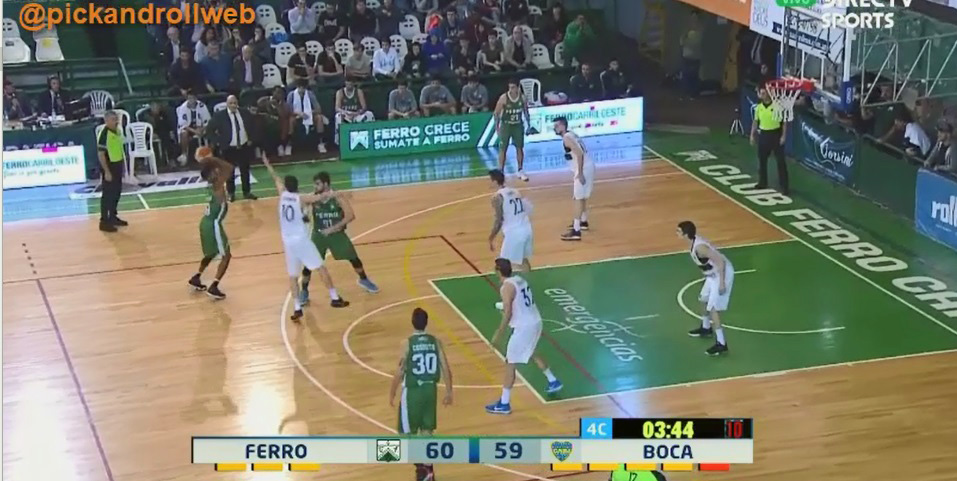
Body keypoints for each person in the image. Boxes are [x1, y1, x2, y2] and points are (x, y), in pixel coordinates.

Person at [259, 154, 349, 321]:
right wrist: (337, 194)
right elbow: (321, 197)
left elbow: (275, 178)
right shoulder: (301, 198)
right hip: (301, 240)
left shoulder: (282, 194)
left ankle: (297, 308)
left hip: (288, 242)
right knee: (321, 267)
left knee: (293, 276)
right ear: (297, 186)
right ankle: (334, 298)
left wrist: (267, 163)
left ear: (286, 186)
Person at [485, 258, 563, 415]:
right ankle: (553, 380)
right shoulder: (519, 280)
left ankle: (504, 403)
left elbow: (508, 312)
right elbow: (518, 302)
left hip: (524, 327)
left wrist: (498, 333)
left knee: (510, 363)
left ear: (498, 271)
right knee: (531, 351)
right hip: (536, 321)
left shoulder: (506, 287)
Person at [389, 308, 453, 481]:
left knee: (405, 434)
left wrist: (392, 392)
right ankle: (429, 469)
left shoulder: (407, 343)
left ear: (412, 322)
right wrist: (449, 391)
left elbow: (400, 371)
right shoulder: (436, 342)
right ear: (427, 322)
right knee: (427, 431)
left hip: (413, 392)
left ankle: (421, 468)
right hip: (431, 390)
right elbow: (446, 368)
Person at [300, 171, 380, 306]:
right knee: (309, 264)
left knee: (353, 258)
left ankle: (364, 279)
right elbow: (302, 200)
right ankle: (304, 290)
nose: (315, 186)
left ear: (326, 184)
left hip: (336, 234)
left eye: (318, 184)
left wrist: (333, 228)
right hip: (319, 234)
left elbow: (350, 215)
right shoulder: (314, 197)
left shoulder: (338, 197)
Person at [679, 221, 734, 356]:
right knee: (703, 299)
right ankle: (706, 328)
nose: (677, 233)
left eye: (679, 231)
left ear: (686, 234)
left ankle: (722, 344)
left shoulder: (700, 248)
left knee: (713, 309)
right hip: (712, 275)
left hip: (721, 274)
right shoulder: (694, 243)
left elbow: (720, 261)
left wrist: (722, 283)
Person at [189, 147, 234, 299]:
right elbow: (229, 168)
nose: (217, 171)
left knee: (211, 253)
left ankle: (196, 277)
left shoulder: (210, 183)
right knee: (226, 255)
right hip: (214, 225)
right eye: (214, 171)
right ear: (212, 175)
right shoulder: (217, 184)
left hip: (205, 223)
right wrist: (212, 159)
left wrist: (207, 162)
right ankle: (214, 286)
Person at [487, 169, 532, 311]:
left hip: (515, 233)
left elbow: (498, 220)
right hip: (526, 228)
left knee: (503, 266)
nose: (489, 183)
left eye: (490, 180)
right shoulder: (515, 191)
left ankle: (508, 301)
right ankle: (527, 292)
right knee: (523, 261)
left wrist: (491, 237)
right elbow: (527, 208)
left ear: (495, 181)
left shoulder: (496, 197)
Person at [207, 95, 258, 201]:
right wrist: (218, 142)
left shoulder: (245, 113)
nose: (233, 105)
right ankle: (231, 193)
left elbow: (253, 126)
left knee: (245, 170)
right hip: (228, 147)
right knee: (229, 172)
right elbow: (209, 129)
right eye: (231, 103)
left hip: (243, 146)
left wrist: (251, 138)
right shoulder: (220, 116)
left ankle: (247, 192)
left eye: (235, 103)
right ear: (227, 104)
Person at [554, 116, 594, 241]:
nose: (554, 128)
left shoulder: (567, 138)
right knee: (582, 197)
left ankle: (576, 231)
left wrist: (580, 173)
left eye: (556, 126)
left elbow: (580, 154)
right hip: (588, 166)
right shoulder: (571, 134)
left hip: (583, 168)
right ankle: (583, 221)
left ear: (563, 126)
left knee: (577, 198)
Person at [749, 86, 789, 195]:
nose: (762, 95)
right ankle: (762, 182)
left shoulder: (777, 106)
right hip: (764, 134)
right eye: (761, 93)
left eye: (764, 93)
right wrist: (752, 135)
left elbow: (784, 122)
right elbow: (755, 122)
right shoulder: (759, 107)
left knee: (780, 161)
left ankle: (784, 186)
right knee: (762, 160)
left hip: (776, 134)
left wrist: (783, 136)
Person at [96, 110, 127, 232]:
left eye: (116, 119)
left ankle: (113, 216)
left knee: (116, 192)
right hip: (109, 166)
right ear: (107, 121)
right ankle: (104, 221)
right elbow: (101, 154)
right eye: (113, 119)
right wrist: (106, 171)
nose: (116, 121)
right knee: (108, 195)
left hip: (117, 164)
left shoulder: (118, 131)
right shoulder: (104, 134)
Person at [494, 78, 531, 182]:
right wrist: (496, 127)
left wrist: (529, 125)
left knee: (519, 148)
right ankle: (501, 171)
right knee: (503, 149)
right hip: (506, 125)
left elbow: (526, 112)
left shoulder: (522, 98)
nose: (511, 90)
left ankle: (520, 170)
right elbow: (496, 113)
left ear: (518, 88)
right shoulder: (504, 98)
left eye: (513, 87)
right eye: (509, 87)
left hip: (518, 125)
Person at [334, 77, 374, 144]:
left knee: (369, 114)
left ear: (354, 83)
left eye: (351, 82)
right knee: (338, 116)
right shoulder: (340, 92)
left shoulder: (358, 91)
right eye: (348, 82)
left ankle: (371, 138)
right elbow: (337, 108)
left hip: (357, 114)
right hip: (346, 115)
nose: (349, 83)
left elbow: (364, 107)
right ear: (345, 83)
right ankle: (339, 141)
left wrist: (356, 113)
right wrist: (346, 113)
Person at [175, 91, 211, 165]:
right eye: (189, 98)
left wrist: (201, 129)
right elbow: (183, 125)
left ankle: (208, 155)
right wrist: (195, 131)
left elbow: (207, 121)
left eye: (193, 98)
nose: (191, 100)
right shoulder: (183, 108)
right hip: (189, 128)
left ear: (196, 98)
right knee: (183, 133)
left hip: (200, 127)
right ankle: (184, 155)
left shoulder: (202, 106)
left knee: (211, 131)